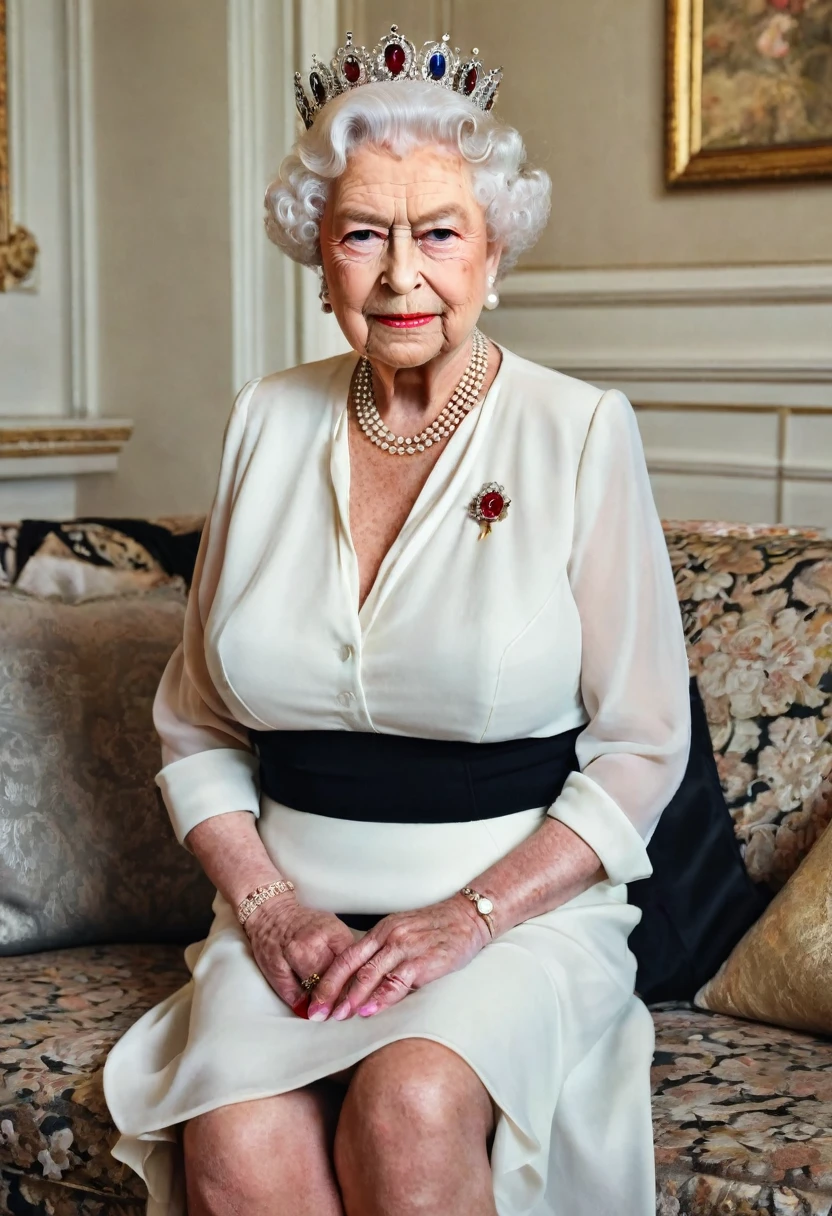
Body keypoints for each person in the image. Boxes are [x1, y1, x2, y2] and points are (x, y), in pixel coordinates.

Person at [102, 25, 691, 1216]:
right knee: (234, 1136)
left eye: (438, 233)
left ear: (492, 252)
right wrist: (267, 908)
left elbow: (640, 746)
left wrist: (466, 919)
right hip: (289, 924)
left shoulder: (576, 431)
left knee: (409, 1104)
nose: (399, 275)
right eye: (362, 233)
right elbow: (195, 726)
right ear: (317, 257)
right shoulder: (263, 422)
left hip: (511, 922)